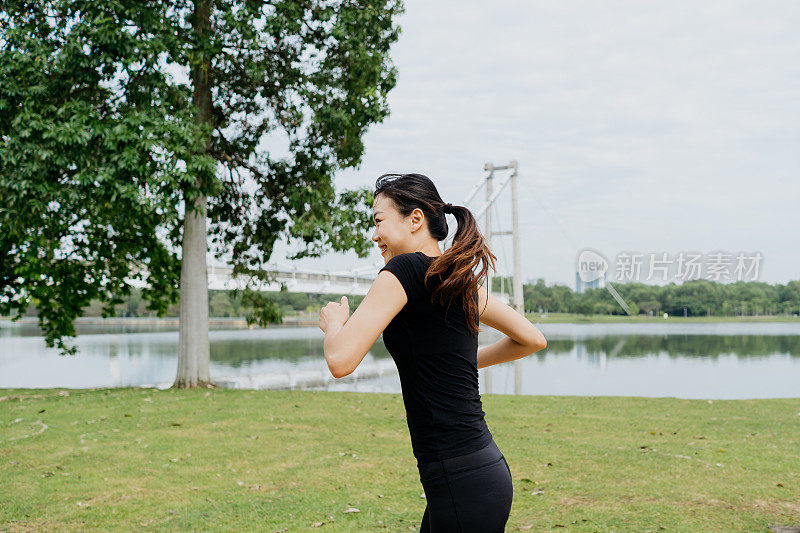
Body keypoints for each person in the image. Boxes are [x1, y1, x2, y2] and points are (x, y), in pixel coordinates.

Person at [319, 173, 547, 532]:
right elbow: (532, 339)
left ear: (415, 219)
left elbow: (340, 360)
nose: (374, 234)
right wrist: (456, 364)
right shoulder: (459, 279)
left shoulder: (402, 270)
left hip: (458, 479)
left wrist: (334, 323)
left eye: (379, 221)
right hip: (480, 472)